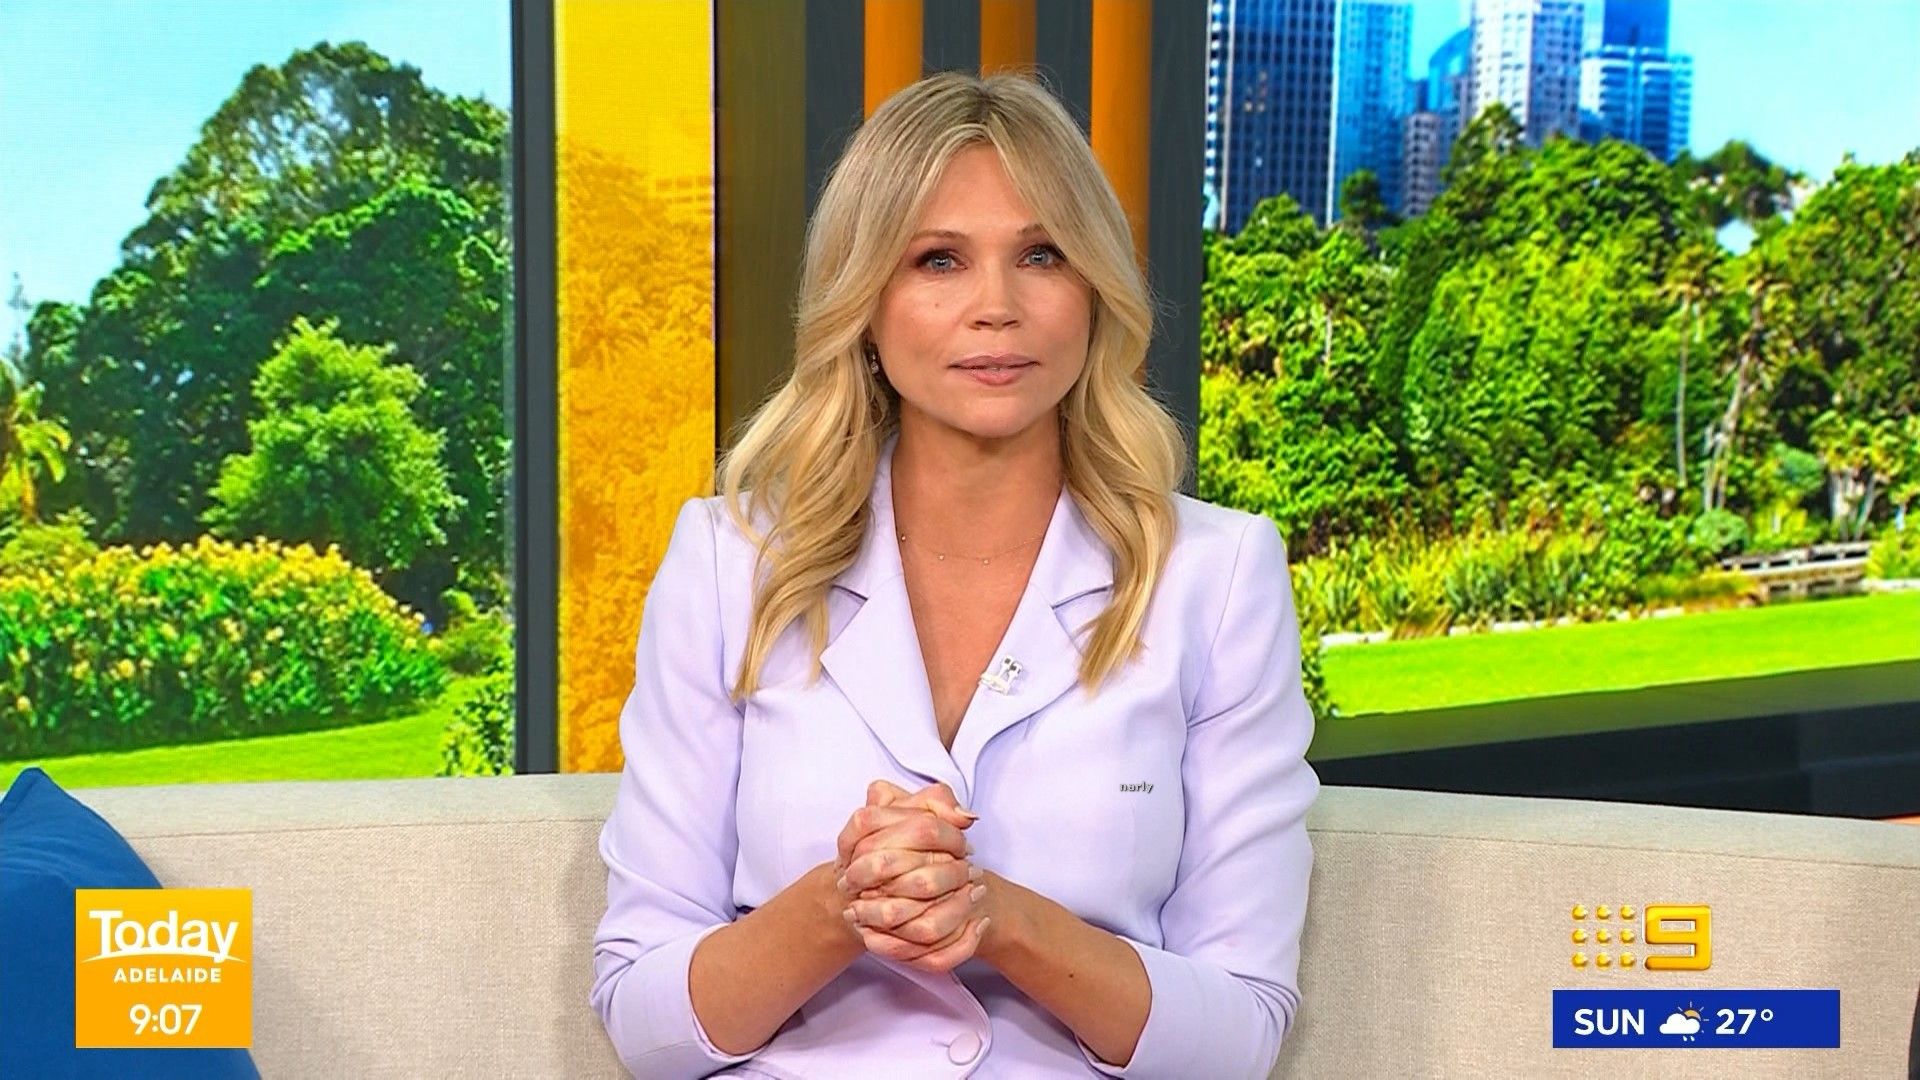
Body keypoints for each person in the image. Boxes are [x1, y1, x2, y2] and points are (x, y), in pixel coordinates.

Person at [589, 70, 1319, 1079]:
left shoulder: (1219, 575)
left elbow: (1237, 1037)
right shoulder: (730, 562)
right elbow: (644, 1025)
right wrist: (841, 906)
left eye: (1041, 255)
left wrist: (999, 917)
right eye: (939, 260)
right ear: (865, 302)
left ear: (1094, 292)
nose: (997, 308)